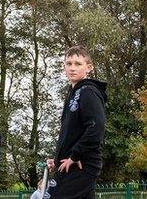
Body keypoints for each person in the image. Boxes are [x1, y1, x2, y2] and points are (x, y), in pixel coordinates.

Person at [45, 46, 107, 199]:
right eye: (69, 63)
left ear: (89, 67)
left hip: (81, 164)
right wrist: (58, 159)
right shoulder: (73, 92)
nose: (72, 68)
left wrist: (75, 156)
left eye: (78, 64)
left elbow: (96, 127)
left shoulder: (88, 91)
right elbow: (71, 133)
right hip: (70, 164)